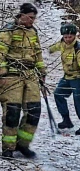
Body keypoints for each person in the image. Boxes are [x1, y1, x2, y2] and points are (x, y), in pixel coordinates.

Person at [0, 3, 46, 158]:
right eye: (30, 18)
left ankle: (22, 144)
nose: (32, 21)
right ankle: (8, 148)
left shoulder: (33, 32)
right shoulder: (8, 30)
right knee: (12, 112)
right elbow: (0, 53)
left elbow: (38, 54)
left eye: (34, 18)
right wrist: (2, 75)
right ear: (22, 15)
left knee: (34, 111)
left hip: (30, 75)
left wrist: (42, 72)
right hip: (12, 76)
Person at [49, 23, 80, 135]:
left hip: (78, 78)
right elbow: (52, 48)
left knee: (78, 99)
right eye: (65, 37)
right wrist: (45, 50)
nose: (68, 39)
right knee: (58, 94)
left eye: (70, 37)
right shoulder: (62, 43)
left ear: (74, 36)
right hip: (67, 76)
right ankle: (66, 120)